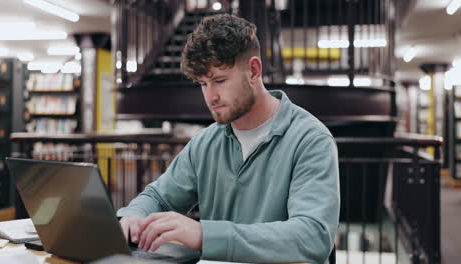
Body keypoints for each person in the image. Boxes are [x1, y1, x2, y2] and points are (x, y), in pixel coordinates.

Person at [117, 13, 340, 264]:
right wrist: (134, 216)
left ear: (254, 71)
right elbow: (158, 197)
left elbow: (312, 237)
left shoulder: (310, 139)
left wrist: (205, 235)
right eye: (203, 84)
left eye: (219, 81)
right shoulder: (205, 143)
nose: (210, 97)